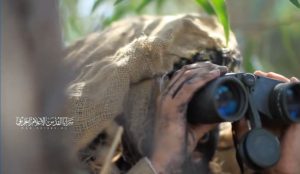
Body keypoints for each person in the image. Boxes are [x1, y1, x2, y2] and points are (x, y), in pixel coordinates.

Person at [64, 14, 300, 174]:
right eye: (180, 97)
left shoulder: (227, 160)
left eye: (223, 96)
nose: (204, 135)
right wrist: (161, 163)